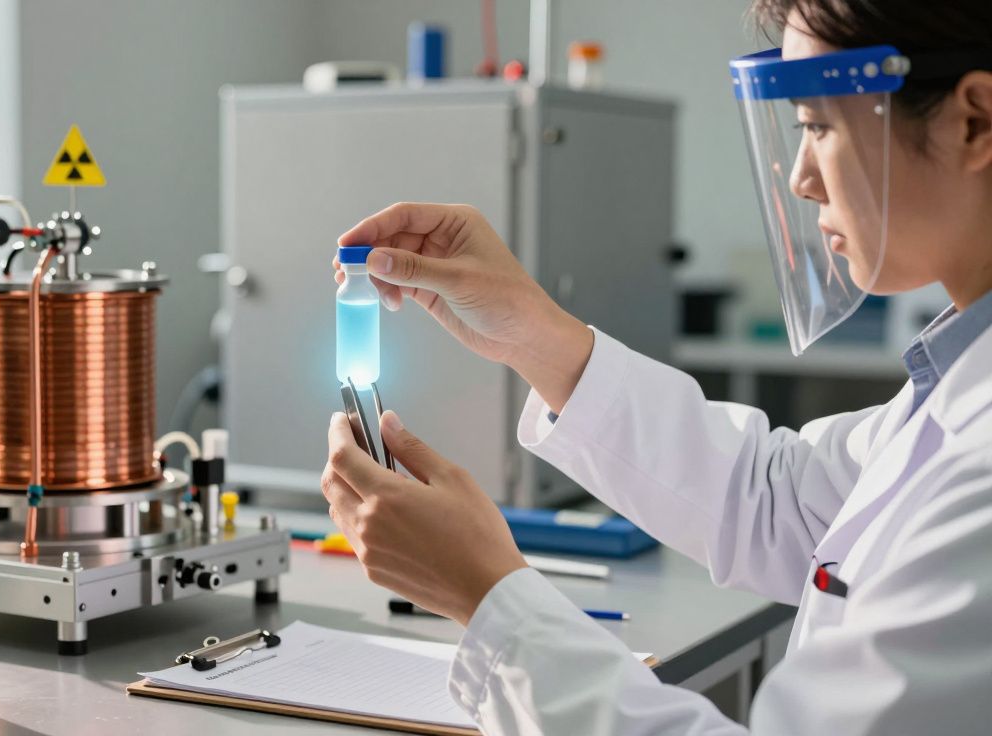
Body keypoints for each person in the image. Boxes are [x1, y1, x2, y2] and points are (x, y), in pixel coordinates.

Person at [322, 1, 992, 733]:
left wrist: (489, 597)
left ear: (975, 121)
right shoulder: (958, 382)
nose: (801, 177)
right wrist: (533, 332)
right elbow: (774, 498)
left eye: (819, 126)